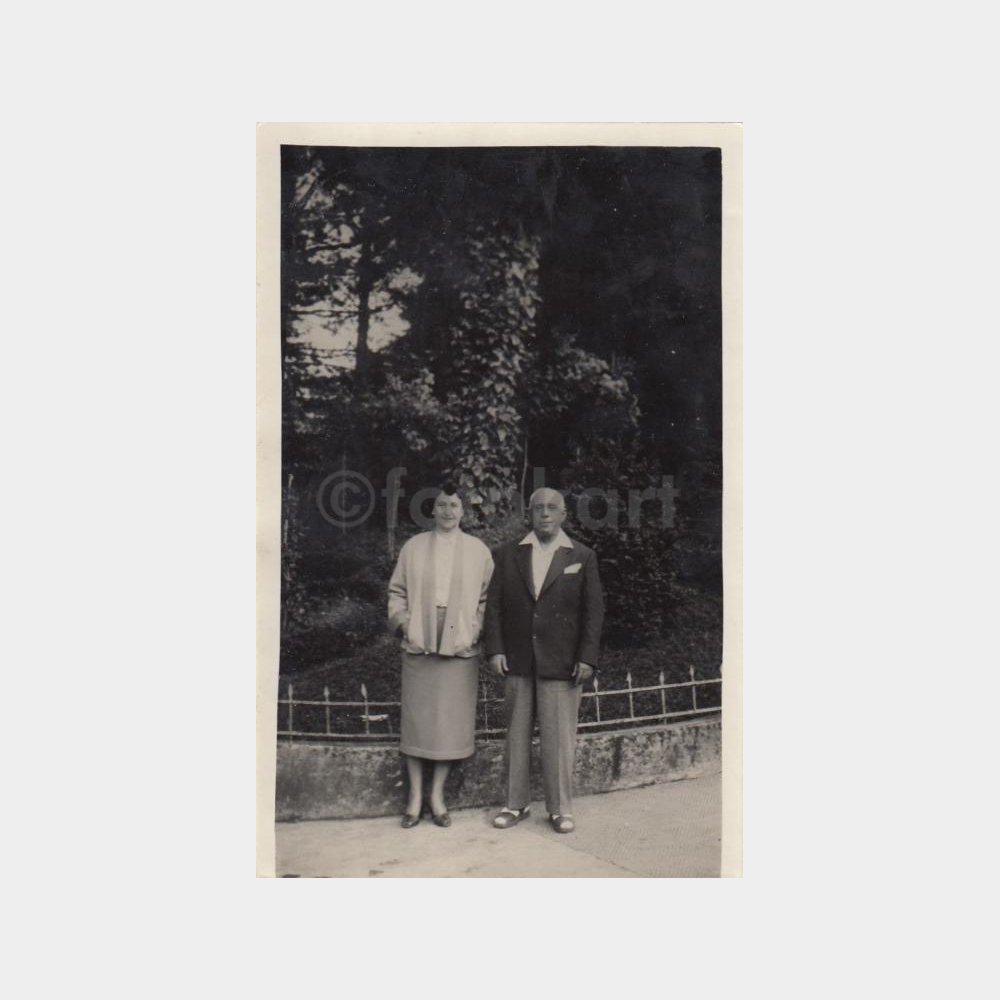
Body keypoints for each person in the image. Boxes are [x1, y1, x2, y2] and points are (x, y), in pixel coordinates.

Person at [484, 487, 604, 834]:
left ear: (564, 514)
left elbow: (593, 612)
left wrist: (587, 657)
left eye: (552, 508)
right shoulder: (507, 554)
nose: (545, 513)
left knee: (559, 739)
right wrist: (496, 649)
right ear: (530, 514)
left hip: (562, 662)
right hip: (517, 659)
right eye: (539, 508)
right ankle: (515, 804)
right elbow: (494, 606)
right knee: (516, 735)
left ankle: (560, 809)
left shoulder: (581, 555)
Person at [387, 483, 494, 828]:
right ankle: (414, 799)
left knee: (450, 723)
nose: (448, 511)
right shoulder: (414, 547)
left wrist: (473, 631)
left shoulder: (478, 551)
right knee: (418, 722)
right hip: (420, 637)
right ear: (432, 510)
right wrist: (406, 626)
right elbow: (397, 591)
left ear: (464, 512)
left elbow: (487, 599)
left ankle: (437, 797)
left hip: (459, 641)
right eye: (442, 505)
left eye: (455, 505)